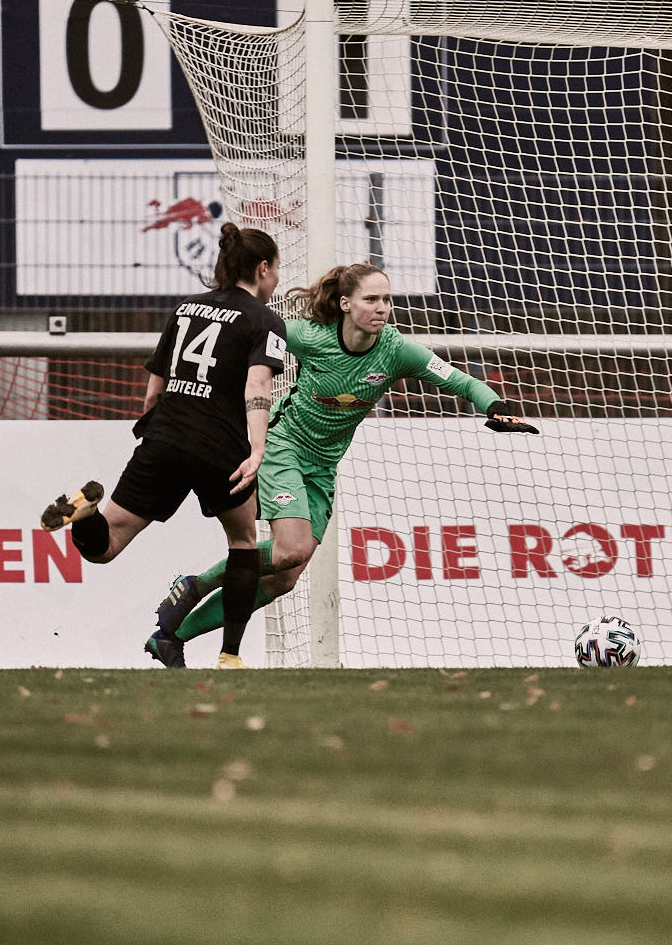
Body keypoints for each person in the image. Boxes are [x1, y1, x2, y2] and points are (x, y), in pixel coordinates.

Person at [144, 262, 539, 668]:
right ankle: (194, 586)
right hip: (284, 445)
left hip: (323, 465)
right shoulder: (310, 337)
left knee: (284, 576)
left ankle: (171, 637)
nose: (382, 308)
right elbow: (248, 336)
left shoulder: (397, 350)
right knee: (290, 548)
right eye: (371, 299)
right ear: (346, 303)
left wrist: (497, 407)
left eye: (387, 299)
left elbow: (460, 380)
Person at [39, 223, 286, 670]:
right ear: (263, 268)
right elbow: (258, 383)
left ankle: (86, 513)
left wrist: (158, 429)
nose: (276, 282)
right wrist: (256, 449)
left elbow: (153, 391)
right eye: (275, 272)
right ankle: (230, 655)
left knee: (104, 546)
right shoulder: (265, 321)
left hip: (166, 436)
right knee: (244, 542)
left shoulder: (186, 308)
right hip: (220, 449)